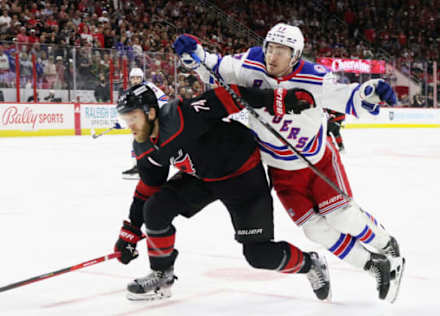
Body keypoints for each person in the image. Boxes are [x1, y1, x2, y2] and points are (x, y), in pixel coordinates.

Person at [174, 23, 405, 303]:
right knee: (314, 229)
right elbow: (215, 66)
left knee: (341, 215)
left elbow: (346, 95)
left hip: (318, 163)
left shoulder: (314, 77)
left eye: (281, 51)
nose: (273, 56)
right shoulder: (251, 62)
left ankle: (386, 245)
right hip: (281, 170)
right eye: (270, 48)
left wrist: (369, 91)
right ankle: (373, 265)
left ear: (295, 55)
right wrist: (194, 54)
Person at [114, 82, 331, 301]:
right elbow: (148, 188)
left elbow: (230, 95)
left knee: (258, 254)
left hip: (242, 176)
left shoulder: (183, 115)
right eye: (126, 119)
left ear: (150, 113)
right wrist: (130, 230)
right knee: (155, 208)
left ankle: (311, 264)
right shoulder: (144, 147)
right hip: (203, 178)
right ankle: (162, 273)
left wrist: (277, 100)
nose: (129, 125)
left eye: (133, 118)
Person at [121, 67, 168, 180]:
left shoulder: (149, 87)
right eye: (133, 78)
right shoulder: (131, 92)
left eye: (138, 78)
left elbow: (163, 99)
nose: (136, 80)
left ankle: (143, 168)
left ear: (142, 78)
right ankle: (139, 167)